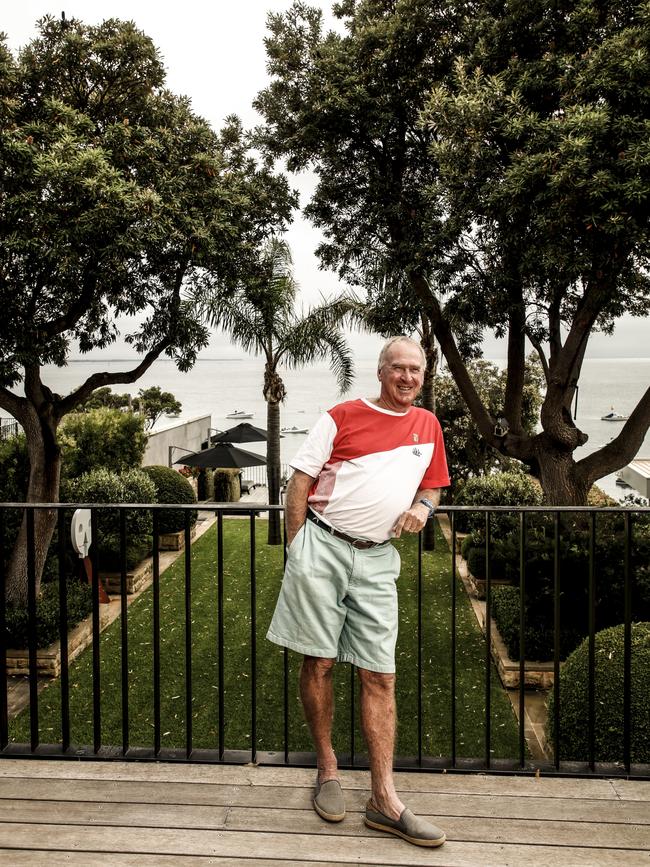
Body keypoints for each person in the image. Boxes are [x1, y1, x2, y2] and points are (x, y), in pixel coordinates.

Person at [267, 336, 450, 848]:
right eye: (399, 368)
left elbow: (433, 484)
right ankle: (327, 770)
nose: (408, 377)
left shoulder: (427, 425)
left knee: (380, 674)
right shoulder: (341, 416)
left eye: (416, 369)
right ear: (381, 371)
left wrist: (425, 508)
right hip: (322, 547)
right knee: (319, 661)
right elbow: (299, 482)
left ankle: (383, 801)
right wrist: (298, 548)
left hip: (377, 558)